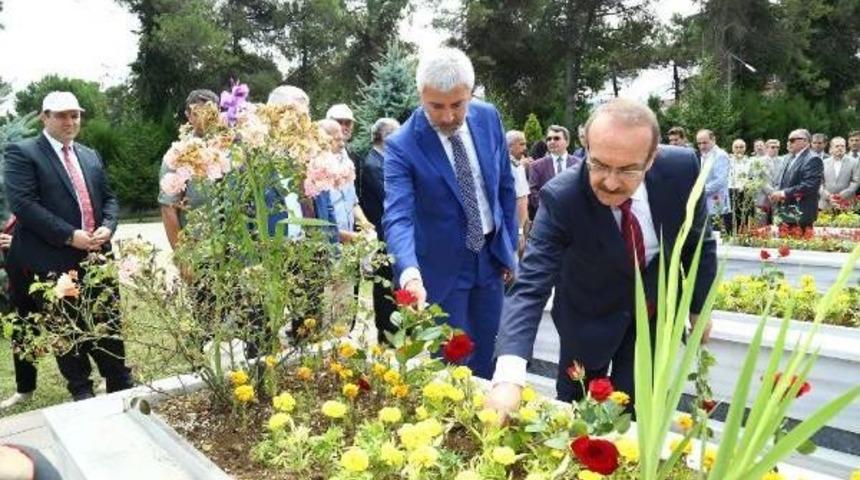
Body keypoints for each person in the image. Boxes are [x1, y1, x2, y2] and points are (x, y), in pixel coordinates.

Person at [487, 98, 716, 414]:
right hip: (586, 315)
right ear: (586, 148)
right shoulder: (562, 197)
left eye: (627, 170)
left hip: (648, 314)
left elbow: (698, 242)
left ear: (652, 158)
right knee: (575, 410)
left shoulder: (683, 171)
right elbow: (529, 286)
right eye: (599, 164)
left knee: (636, 411)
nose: (610, 182)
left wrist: (698, 308)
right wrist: (508, 378)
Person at [383, 47, 517, 379]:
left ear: (471, 93)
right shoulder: (403, 145)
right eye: (436, 106)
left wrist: (508, 248)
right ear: (421, 95)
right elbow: (397, 215)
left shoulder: (488, 118)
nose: (447, 117)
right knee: (449, 367)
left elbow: (504, 187)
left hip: (489, 259)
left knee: (488, 355)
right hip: (441, 272)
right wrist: (410, 273)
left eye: (457, 105)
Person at [3, 91, 133, 402]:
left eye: (74, 115)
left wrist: (108, 226)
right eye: (61, 115)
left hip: (97, 255)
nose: (69, 121)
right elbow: (24, 205)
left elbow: (110, 199)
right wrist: (69, 235)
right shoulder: (23, 153)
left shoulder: (89, 155)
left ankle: (119, 381)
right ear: (44, 117)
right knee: (67, 325)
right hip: (53, 258)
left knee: (106, 318)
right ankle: (82, 391)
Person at [159, 89, 220, 250]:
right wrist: (183, 256)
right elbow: (168, 208)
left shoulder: (233, 149)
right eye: (197, 112)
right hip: (201, 251)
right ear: (188, 115)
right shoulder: (178, 155)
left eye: (210, 110)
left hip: (238, 252)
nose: (205, 117)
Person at [361, 117, 401, 343]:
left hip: (388, 232)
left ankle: (392, 328)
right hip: (382, 234)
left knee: (391, 284)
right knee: (384, 284)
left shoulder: (384, 160)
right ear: (384, 137)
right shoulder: (373, 164)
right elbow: (389, 197)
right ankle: (385, 332)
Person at [771, 129, 823, 229]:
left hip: (801, 212)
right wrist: (776, 192)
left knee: (800, 243)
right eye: (788, 140)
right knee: (783, 243)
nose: (789, 143)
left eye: (792, 140)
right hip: (785, 211)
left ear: (805, 141)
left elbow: (809, 186)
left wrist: (783, 193)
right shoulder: (788, 158)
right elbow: (781, 181)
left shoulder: (813, 159)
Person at [528, 125, 580, 217]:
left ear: (567, 142)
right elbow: (533, 191)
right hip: (547, 217)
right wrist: (548, 209)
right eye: (549, 139)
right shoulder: (536, 166)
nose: (552, 141)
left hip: (574, 216)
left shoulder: (579, 164)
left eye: (556, 138)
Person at [696, 129, 732, 232]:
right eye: (699, 143)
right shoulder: (703, 155)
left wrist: (700, 191)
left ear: (713, 140)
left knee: (717, 237)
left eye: (705, 143)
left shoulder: (720, 155)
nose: (702, 146)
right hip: (705, 205)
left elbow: (720, 181)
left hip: (717, 205)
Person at [506, 130, 530, 256]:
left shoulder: (499, 163)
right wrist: (520, 231)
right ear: (509, 146)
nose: (525, 148)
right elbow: (521, 200)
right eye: (521, 144)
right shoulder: (515, 167)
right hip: (513, 227)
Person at [818, 136, 859, 210]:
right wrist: (828, 196)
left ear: (845, 148)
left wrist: (841, 196)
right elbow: (819, 182)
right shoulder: (823, 163)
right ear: (831, 149)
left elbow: (855, 182)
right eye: (837, 146)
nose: (840, 148)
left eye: (842, 146)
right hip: (826, 204)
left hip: (847, 203)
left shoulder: (854, 162)